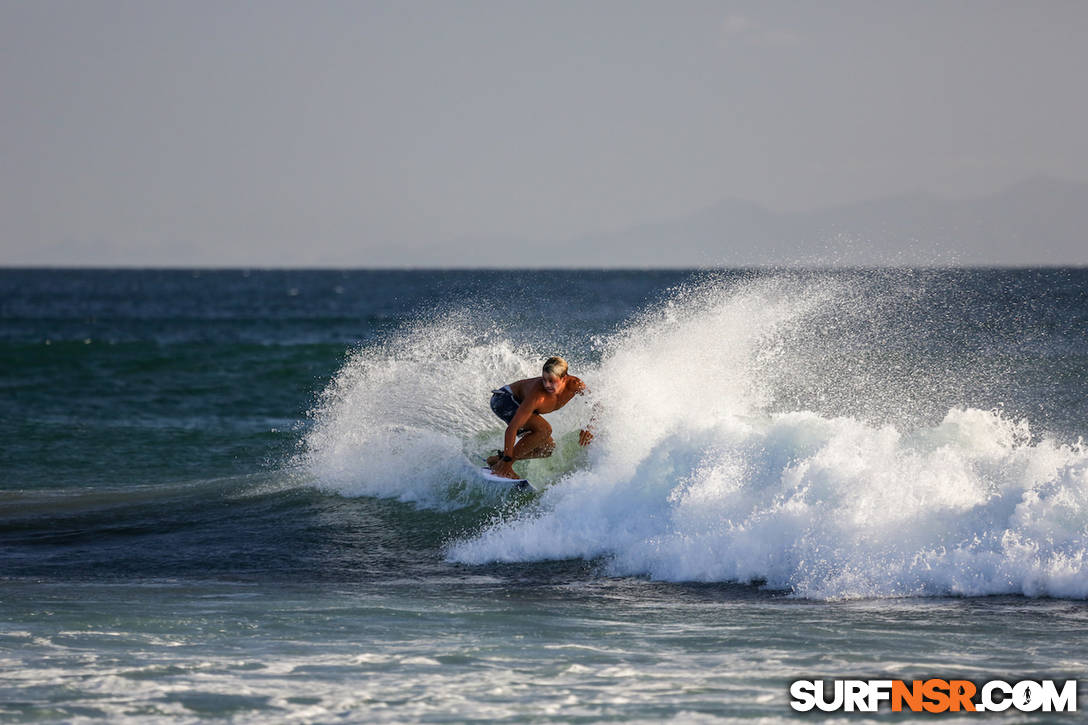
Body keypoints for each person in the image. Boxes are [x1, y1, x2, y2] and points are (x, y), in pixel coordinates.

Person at [487, 356, 594, 480]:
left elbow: (597, 403)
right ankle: (504, 465)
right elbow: (512, 428)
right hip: (504, 400)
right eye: (544, 379)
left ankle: (496, 461)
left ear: (564, 378)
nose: (546, 385)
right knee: (544, 430)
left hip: (519, 405)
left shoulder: (575, 384)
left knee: (547, 449)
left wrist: (589, 427)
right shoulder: (538, 395)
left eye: (551, 380)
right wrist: (507, 461)